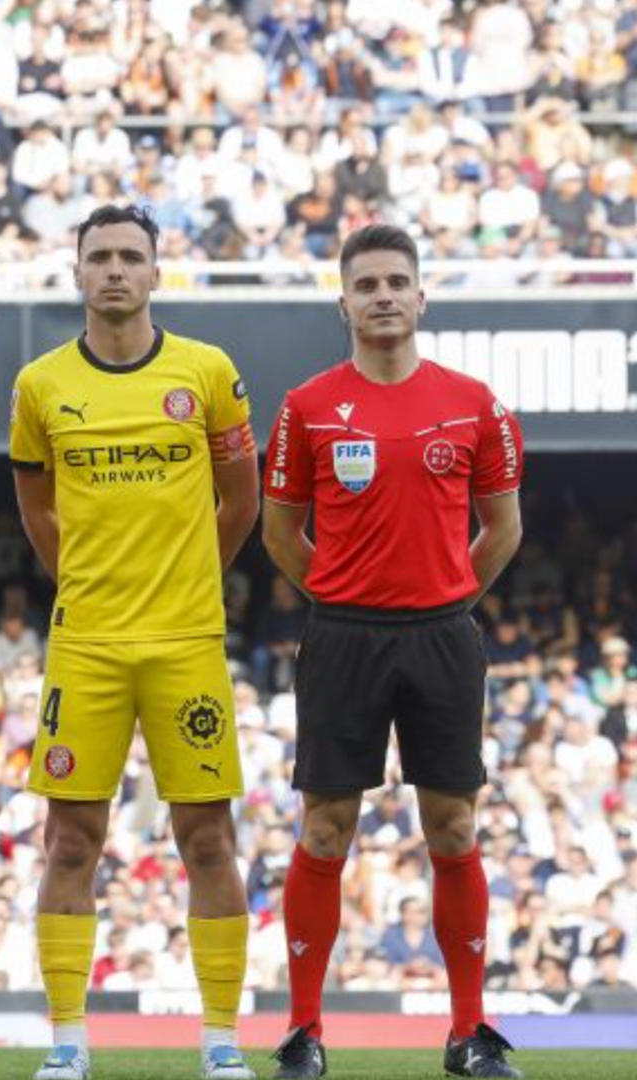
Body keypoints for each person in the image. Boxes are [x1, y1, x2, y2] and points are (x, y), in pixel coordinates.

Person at [262, 225, 525, 1080]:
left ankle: (469, 1032)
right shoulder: (305, 405)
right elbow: (279, 531)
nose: (382, 295)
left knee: (452, 828)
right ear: (343, 301)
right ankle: (304, 1031)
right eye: (366, 282)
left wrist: (444, 598)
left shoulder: (475, 402)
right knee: (327, 829)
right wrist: (341, 594)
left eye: (397, 281)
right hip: (342, 636)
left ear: (421, 296)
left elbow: (503, 530)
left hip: (443, 636)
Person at [9, 204, 260, 1080]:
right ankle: (68, 1042)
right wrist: (84, 578)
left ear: (156, 273)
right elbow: (36, 506)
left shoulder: (208, 371)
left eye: (131, 258)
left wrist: (191, 575)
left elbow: (241, 500)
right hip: (87, 645)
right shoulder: (41, 384)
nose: (115, 271)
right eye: (100, 258)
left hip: (188, 638)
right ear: (77, 273)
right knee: (70, 840)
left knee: (209, 839)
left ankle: (223, 1041)